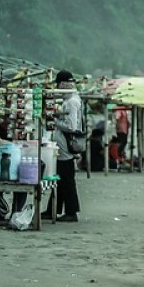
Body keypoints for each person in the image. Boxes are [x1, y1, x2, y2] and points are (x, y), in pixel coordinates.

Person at [47, 70, 82, 222]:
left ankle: (71, 211)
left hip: (66, 146)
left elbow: (71, 126)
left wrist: (54, 121)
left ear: (62, 84)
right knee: (60, 179)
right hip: (62, 145)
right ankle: (53, 209)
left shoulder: (72, 102)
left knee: (66, 179)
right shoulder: (70, 100)